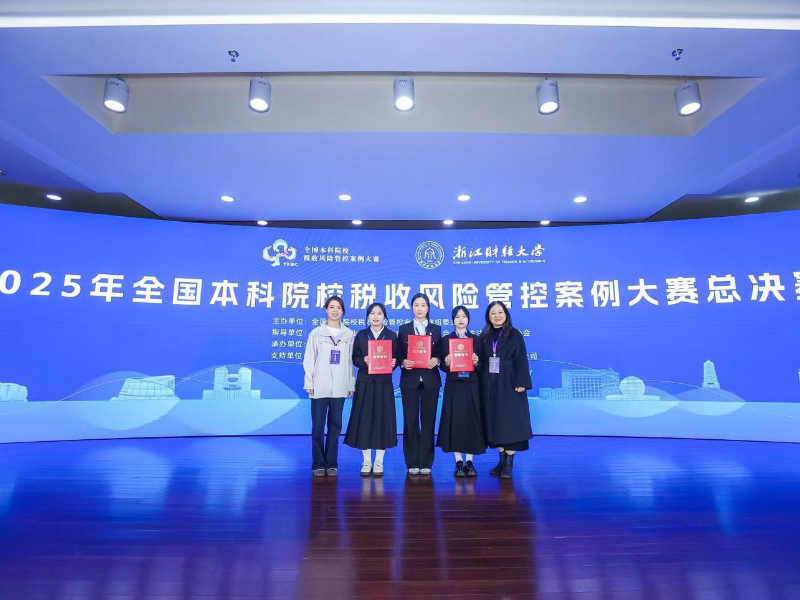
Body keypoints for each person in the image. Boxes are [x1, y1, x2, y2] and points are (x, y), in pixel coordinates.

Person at [302, 296, 355, 477]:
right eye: (331, 307)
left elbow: (350, 362)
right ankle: (318, 463)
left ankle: (332, 463)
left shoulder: (349, 334)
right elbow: (309, 359)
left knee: (335, 426)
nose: (335, 310)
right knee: (318, 426)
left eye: (338, 307)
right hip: (319, 384)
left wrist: (350, 383)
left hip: (340, 385)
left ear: (343, 311)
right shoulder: (316, 333)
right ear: (326, 310)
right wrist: (309, 382)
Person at [479, 301, 533, 479]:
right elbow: (480, 361)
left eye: (500, 312)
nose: (497, 316)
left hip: (510, 382)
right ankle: (501, 461)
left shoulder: (514, 334)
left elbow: (521, 359)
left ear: (506, 314)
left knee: (510, 421)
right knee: (496, 421)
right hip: (490, 382)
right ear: (488, 316)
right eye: (493, 313)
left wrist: (522, 382)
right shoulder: (484, 336)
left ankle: (509, 463)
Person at [344, 302, 399, 476]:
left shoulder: (391, 335)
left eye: (379, 313)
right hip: (365, 383)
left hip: (384, 384)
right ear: (368, 316)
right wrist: (364, 361)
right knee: (365, 420)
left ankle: (379, 461)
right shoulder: (361, 335)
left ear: (384, 317)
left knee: (383, 420)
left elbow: (397, 358)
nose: (376, 316)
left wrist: (394, 362)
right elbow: (354, 358)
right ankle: (366, 461)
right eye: (372, 313)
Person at [397, 293, 443, 475]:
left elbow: (441, 352)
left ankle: (426, 462)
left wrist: (437, 359)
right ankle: (411, 461)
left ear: (428, 308)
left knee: (428, 421)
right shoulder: (404, 329)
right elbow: (398, 353)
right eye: (416, 305)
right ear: (412, 308)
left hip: (430, 381)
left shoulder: (436, 329)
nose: (419, 308)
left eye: (423, 305)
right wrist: (403, 361)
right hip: (410, 380)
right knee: (410, 421)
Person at [438, 306, 485, 477]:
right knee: (455, 422)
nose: (461, 319)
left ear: (468, 319)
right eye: (457, 316)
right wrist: (446, 362)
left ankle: (470, 461)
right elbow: (442, 367)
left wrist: (477, 361)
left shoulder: (476, 340)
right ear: (453, 320)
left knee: (471, 421)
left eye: (464, 316)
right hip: (454, 385)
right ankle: (458, 461)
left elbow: (482, 367)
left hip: (471, 385)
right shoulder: (446, 340)